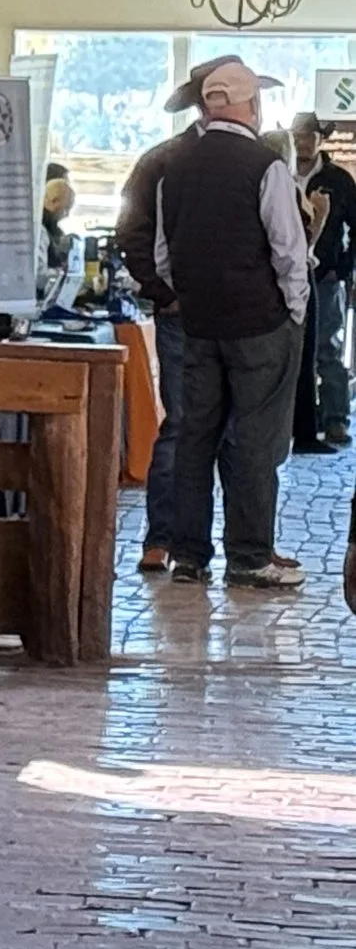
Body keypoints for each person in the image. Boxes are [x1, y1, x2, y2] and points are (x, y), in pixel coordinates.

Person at [154, 59, 306, 591]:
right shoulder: (265, 164)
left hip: (199, 323)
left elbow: (164, 253)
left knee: (196, 438)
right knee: (254, 442)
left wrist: (191, 298)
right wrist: (295, 310)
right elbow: (289, 249)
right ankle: (248, 556)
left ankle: (188, 556)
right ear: (251, 105)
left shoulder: (175, 165)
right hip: (259, 324)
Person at [112, 61, 217, 575]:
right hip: (186, 311)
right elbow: (130, 229)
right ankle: (163, 539)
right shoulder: (164, 161)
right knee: (181, 427)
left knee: (233, 434)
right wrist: (160, 290)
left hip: (232, 313)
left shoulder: (249, 156)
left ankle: (218, 547)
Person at [290, 112, 356, 452]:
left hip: (325, 276)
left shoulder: (339, 180)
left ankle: (335, 418)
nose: (302, 141)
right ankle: (297, 419)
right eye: (296, 135)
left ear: (320, 138)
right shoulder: (280, 175)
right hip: (286, 276)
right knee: (291, 349)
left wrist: (342, 269)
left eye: (308, 135)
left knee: (328, 347)